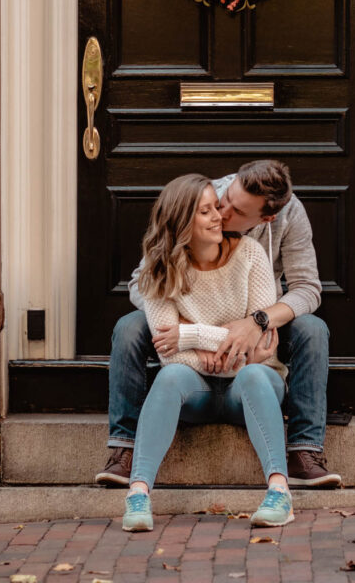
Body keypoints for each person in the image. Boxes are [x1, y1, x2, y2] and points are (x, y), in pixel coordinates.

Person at [96, 159, 341, 489]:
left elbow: (307, 289)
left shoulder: (286, 217)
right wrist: (185, 327)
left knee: (313, 329)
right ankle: (124, 448)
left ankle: (303, 450)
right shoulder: (204, 200)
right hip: (189, 322)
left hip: (259, 318)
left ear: (266, 218)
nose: (222, 213)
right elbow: (145, 280)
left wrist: (258, 322)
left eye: (236, 211)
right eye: (223, 200)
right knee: (129, 327)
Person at [120, 173, 294, 531]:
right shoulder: (160, 269)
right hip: (195, 390)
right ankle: (137, 494)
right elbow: (168, 351)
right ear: (182, 221)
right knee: (169, 376)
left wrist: (192, 334)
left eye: (217, 206)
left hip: (250, 388)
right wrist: (207, 354)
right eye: (206, 211)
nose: (219, 216)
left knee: (254, 374)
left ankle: (280, 491)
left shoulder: (250, 254)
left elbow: (261, 346)